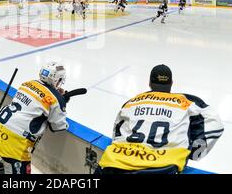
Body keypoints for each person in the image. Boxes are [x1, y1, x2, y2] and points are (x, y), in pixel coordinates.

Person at [96, 64, 224, 174]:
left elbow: (117, 132)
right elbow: (215, 124)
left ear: (150, 83)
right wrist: (194, 152)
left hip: (114, 165)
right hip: (162, 168)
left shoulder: (132, 102)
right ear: (171, 83)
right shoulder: (186, 102)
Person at [0, 62, 69, 174]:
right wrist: (61, 101)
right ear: (57, 80)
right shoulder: (55, 99)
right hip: (15, 141)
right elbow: (58, 126)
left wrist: (56, 95)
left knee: (7, 163)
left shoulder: (27, 84)